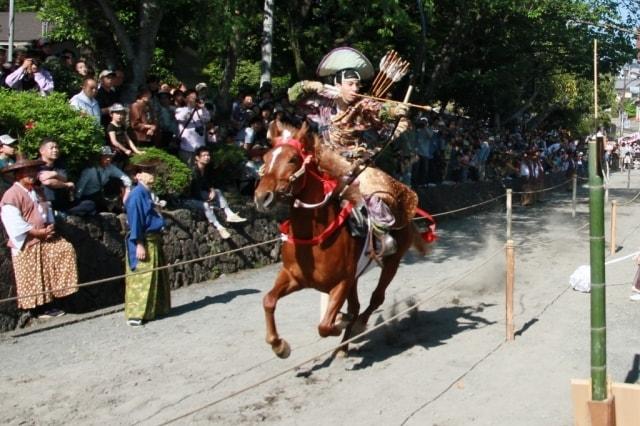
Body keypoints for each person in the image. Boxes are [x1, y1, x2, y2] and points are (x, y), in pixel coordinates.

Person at [287, 47, 412, 256]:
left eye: (357, 84)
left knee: (370, 192)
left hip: (353, 165)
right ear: (337, 84)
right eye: (350, 84)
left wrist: (394, 111)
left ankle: (380, 234)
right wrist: (309, 85)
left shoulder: (363, 106)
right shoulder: (322, 104)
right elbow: (293, 97)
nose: (355, 88)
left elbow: (380, 111)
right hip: (325, 163)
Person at [0, 159, 79, 317]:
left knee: (64, 250)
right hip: (27, 242)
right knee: (33, 276)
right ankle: (37, 309)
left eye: (32, 171)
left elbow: (47, 210)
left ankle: (55, 297)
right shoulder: (12, 195)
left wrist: (49, 225)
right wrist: (37, 233)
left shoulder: (38, 191)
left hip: (44, 236)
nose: (30, 175)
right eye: (26, 172)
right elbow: (13, 223)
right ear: (18, 175)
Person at [124, 162, 171, 326]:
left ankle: (153, 309)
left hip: (153, 238)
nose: (152, 174)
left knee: (155, 276)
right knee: (141, 277)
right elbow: (135, 220)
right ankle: (136, 314)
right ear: (137, 175)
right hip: (143, 239)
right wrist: (138, 243)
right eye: (147, 171)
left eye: (152, 171)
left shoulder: (147, 193)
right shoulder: (136, 194)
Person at [185, 147, 246, 239]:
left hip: (201, 193)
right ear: (197, 158)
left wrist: (211, 190)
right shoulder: (193, 170)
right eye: (204, 155)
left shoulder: (206, 169)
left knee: (217, 191)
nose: (207, 157)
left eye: (208, 155)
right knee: (206, 206)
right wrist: (208, 200)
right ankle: (219, 227)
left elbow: (207, 183)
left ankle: (229, 214)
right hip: (191, 198)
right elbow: (194, 191)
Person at [75, 146, 132, 212]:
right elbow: (80, 187)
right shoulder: (90, 170)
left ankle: (118, 205)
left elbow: (124, 177)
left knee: (118, 181)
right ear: (100, 157)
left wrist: (127, 191)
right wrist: (77, 200)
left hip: (100, 193)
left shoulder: (110, 168)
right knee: (90, 205)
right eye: (106, 156)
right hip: (88, 196)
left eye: (110, 157)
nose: (108, 159)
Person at [175, 89, 211, 165]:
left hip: (200, 148)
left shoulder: (200, 111)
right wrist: (189, 107)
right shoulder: (180, 110)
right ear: (185, 99)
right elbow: (181, 118)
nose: (194, 99)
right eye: (191, 97)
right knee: (187, 170)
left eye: (195, 97)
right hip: (186, 147)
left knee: (200, 170)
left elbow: (207, 119)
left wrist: (203, 108)